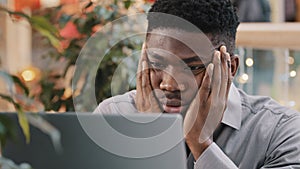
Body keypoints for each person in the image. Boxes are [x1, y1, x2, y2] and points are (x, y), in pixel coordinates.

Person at [94, 0, 300, 168]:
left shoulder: (280, 132)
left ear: (230, 68)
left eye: (192, 68)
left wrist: (201, 145)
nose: (169, 84)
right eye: (157, 63)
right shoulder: (112, 116)